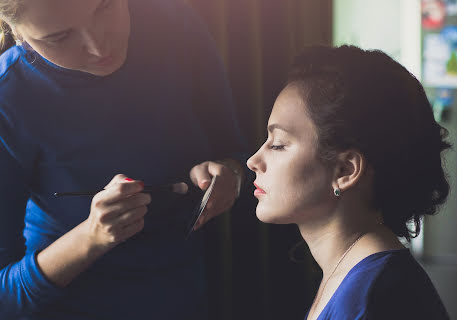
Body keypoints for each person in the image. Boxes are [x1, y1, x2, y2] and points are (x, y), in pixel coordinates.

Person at [0, 0, 246, 319]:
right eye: (59, 37)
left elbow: (235, 151)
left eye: (105, 7)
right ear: (16, 32)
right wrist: (90, 237)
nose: (99, 45)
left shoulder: (177, 26)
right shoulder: (9, 100)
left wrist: (231, 175)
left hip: (188, 296)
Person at [247, 45, 451, 320]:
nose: (253, 160)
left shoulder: (371, 298)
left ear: (345, 169)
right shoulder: (356, 273)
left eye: (279, 144)